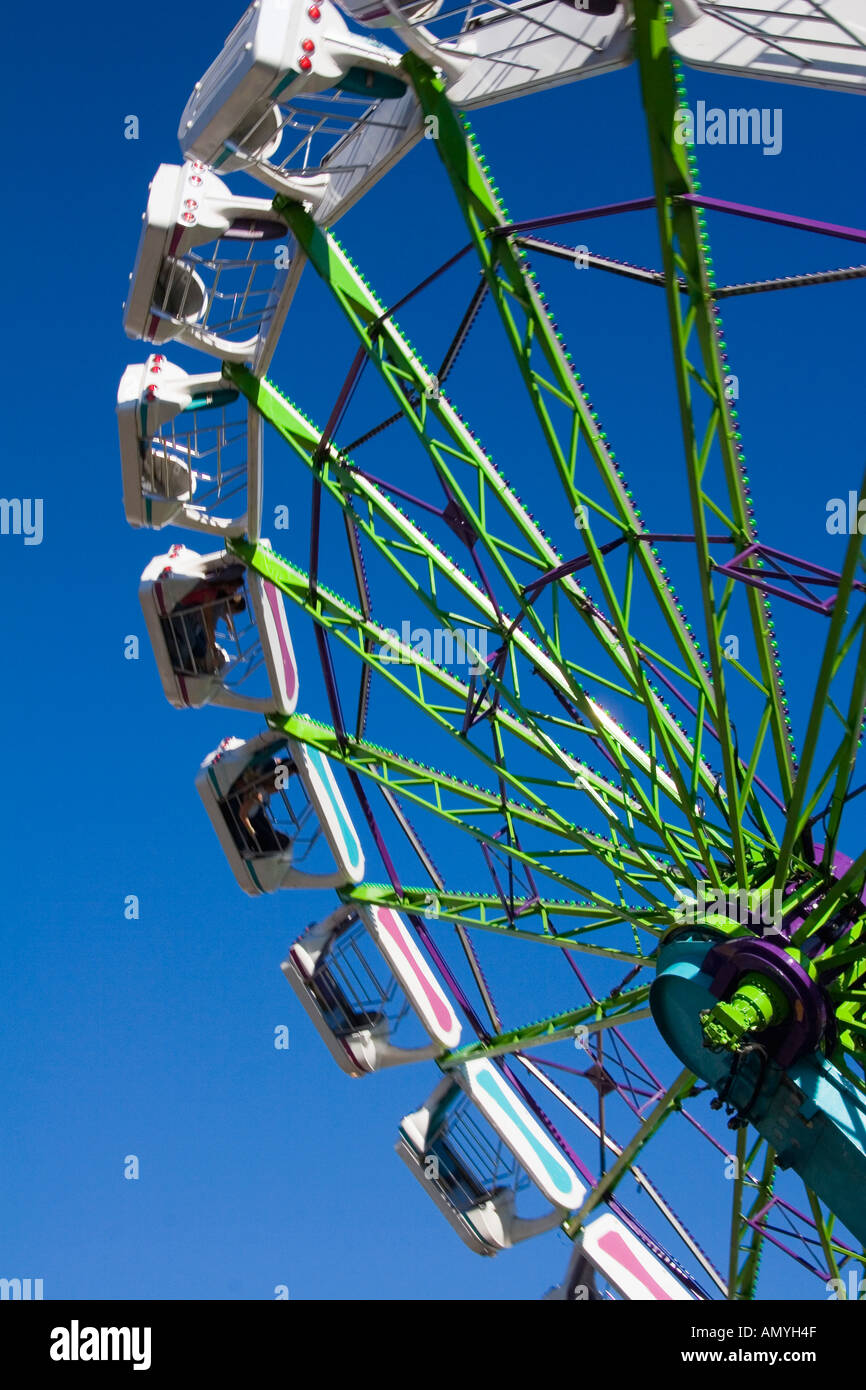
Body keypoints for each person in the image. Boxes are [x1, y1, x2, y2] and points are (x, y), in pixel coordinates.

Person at [162, 564, 247, 676]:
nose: (234, 592)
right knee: (190, 642)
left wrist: (228, 621)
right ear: (228, 584)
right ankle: (177, 669)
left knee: (200, 646)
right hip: (179, 611)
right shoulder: (212, 595)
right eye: (234, 588)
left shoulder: (214, 589)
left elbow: (215, 617)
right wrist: (212, 648)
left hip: (188, 613)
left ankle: (193, 663)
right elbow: (209, 621)